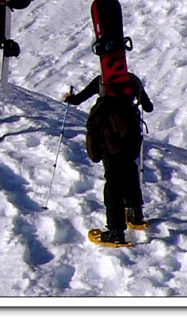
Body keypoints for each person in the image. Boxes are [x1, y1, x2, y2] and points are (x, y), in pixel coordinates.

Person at [63, 73, 154, 245]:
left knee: (113, 181)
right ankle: (136, 215)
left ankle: (115, 231)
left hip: (110, 141)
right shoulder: (132, 80)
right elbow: (148, 107)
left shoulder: (101, 81)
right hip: (131, 138)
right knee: (129, 170)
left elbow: (78, 100)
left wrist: (69, 98)